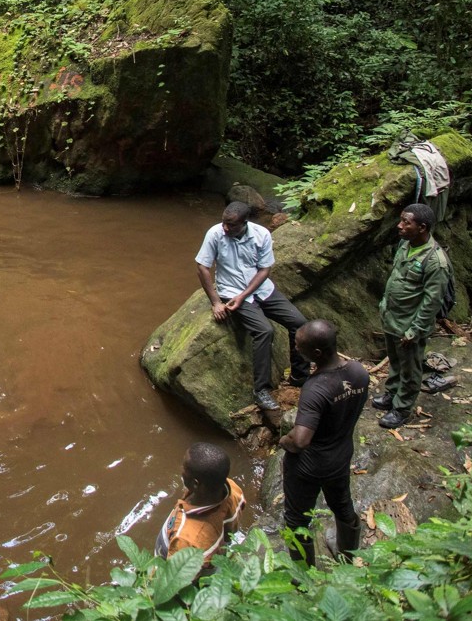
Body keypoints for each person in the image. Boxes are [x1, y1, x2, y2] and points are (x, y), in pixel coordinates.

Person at [196, 202, 309, 411]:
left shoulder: (261, 234)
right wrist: (216, 302)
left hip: (260, 289)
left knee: (300, 323)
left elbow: (264, 269)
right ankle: (261, 390)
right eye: (224, 223)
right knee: (265, 331)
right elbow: (202, 267)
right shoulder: (215, 234)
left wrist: (244, 295)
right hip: (230, 290)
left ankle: (300, 376)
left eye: (231, 225)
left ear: (244, 223)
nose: (225, 228)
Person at [279, 319, 369, 566]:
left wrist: (284, 441)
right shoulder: (359, 372)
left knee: (296, 520)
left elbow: (301, 440)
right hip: (340, 455)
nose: (296, 349)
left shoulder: (315, 388)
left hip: (309, 466)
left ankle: (303, 577)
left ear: (316, 353)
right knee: (342, 504)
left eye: (299, 346)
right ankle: (348, 555)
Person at [375, 203, 449, 430]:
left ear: (422, 228)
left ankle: (402, 408)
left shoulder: (435, 261)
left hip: (410, 323)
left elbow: (432, 301)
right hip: (393, 317)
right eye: (401, 220)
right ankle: (392, 394)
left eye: (406, 223)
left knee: (410, 367)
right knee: (396, 361)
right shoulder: (405, 245)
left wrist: (415, 330)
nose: (400, 226)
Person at [155, 442, 246, 567]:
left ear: (196, 484)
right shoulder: (234, 490)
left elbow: (174, 577)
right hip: (218, 548)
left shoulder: (186, 538)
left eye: (184, 467)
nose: (180, 470)